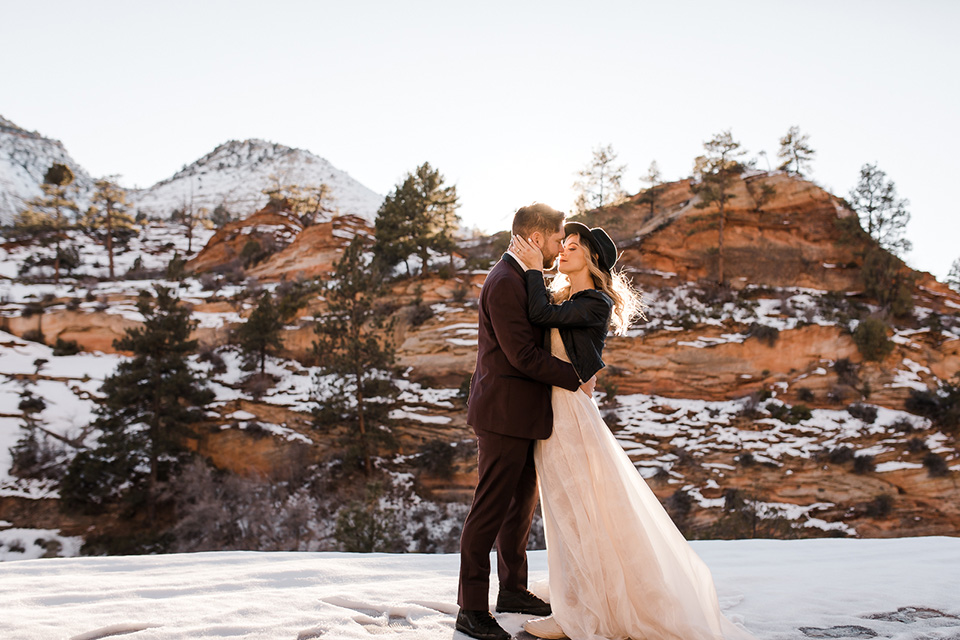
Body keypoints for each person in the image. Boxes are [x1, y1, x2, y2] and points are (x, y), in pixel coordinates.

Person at [510, 225, 757, 640]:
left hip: (570, 416)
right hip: (555, 411)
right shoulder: (566, 296)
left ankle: (582, 615)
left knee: (579, 511)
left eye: (573, 248)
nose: (564, 253)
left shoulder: (595, 302)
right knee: (565, 510)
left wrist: (533, 268)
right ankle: (580, 597)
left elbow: (540, 317)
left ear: (592, 261)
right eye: (564, 246)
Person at [456, 204, 597, 640]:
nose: (561, 247)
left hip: (523, 415)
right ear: (536, 240)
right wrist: (576, 378)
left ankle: (513, 591)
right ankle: (471, 609)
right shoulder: (504, 282)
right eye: (558, 240)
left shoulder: (522, 277)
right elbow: (522, 356)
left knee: (519, 512)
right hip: (503, 415)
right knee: (489, 511)